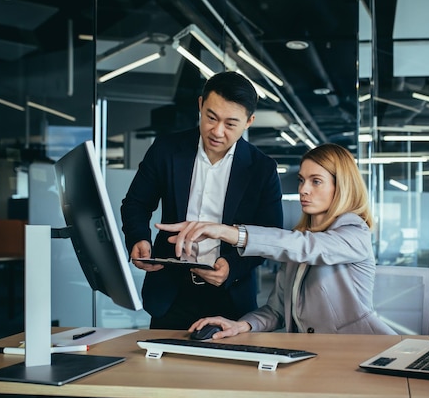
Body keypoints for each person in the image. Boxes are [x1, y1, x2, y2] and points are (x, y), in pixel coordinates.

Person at [157, 143, 396, 338]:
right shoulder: (301, 239)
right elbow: (276, 311)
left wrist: (226, 232)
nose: (303, 189)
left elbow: (306, 248)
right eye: (302, 180)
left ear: (341, 187)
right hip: (314, 356)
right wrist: (240, 325)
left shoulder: (355, 234)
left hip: (360, 353)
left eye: (316, 181)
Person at [120, 71, 283, 330]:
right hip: (171, 292)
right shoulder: (166, 149)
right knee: (161, 369)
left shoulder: (262, 169)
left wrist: (233, 267)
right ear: (200, 105)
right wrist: (139, 238)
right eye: (211, 117)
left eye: (230, 124)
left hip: (231, 296)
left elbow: (271, 236)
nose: (217, 131)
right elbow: (136, 203)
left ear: (249, 121)